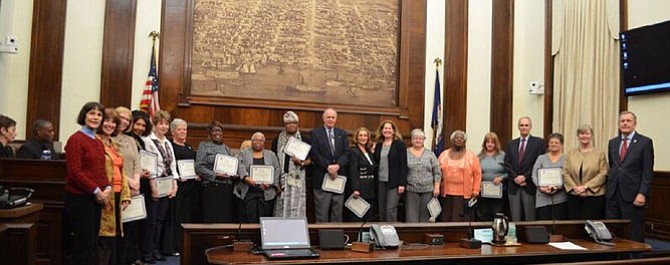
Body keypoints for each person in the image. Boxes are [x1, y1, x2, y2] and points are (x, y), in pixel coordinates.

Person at [64, 102, 110, 265]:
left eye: (99, 115)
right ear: (84, 116)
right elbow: (75, 172)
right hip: (79, 199)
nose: (95, 117)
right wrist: (96, 191)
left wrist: (107, 188)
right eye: (92, 113)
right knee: (83, 244)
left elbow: (101, 169)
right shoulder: (76, 139)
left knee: (92, 243)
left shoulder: (97, 141)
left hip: (96, 199)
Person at [606, 111, 654, 243]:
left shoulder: (645, 142)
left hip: (633, 195)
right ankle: (616, 259)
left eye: (628, 121)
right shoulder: (613, 143)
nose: (625, 123)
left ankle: (634, 258)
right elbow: (614, 167)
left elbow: (647, 171)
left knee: (634, 230)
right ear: (619, 124)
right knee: (613, 230)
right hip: (613, 193)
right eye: (622, 121)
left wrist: (642, 193)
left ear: (635, 124)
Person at [140, 110, 179, 263]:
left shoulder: (168, 142)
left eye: (166, 123)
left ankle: (156, 249)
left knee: (161, 219)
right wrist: (153, 187)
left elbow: (173, 165)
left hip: (167, 184)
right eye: (161, 123)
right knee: (151, 220)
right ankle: (147, 252)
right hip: (153, 185)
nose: (164, 126)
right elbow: (149, 165)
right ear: (154, 124)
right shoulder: (148, 141)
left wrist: (175, 184)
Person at [96, 108, 132, 265]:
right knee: (103, 239)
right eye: (107, 121)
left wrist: (126, 195)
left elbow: (121, 171)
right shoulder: (95, 141)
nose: (110, 125)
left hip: (117, 196)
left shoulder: (112, 144)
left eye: (113, 122)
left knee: (114, 238)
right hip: (103, 196)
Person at [112, 107, 143, 265]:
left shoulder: (130, 139)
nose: (124, 121)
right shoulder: (107, 139)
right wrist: (128, 181)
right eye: (121, 118)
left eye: (127, 119)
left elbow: (137, 161)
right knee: (119, 228)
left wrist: (136, 180)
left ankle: (129, 258)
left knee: (131, 227)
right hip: (117, 188)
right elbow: (112, 165)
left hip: (133, 188)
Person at [309, 108, 350, 222]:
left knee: (337, 215)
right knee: (322, 214)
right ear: (323, 119)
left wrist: (337, 166)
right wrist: (328, 166)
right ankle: (321, 240)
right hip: (322, 178)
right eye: (328, 117)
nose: (330, 119)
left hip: (338, 178)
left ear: (336, 119)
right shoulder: (315, 133)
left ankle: (334, 240)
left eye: (333, 117)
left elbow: (347, 153)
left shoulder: (342, 134)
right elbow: (314, 153)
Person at [504, 116, 546, 221]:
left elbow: (539, 163)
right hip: (514, 186)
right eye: (521, 125)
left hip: (529, 185)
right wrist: (515, 178)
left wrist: (525, 177)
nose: (524, 127)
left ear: (530, 127)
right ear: (518, 127)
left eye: (526, 125)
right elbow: (507, 163)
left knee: (530, 218)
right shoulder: (511, 144)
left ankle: (530, 238)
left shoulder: (539, 143)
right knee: (515, 218)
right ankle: (516, 238)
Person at [562, 124, 608, 220]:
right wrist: (576, 188)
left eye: (587, 133)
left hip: (594, 196)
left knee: (591, 227)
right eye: (581, 133)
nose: (584, 136)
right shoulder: (570, 153)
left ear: (591, 136)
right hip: (574, 195)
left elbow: (603, 173)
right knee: (574, 226)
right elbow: (565, 172)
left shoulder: (599, 153)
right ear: (578, 136)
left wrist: (586, 187)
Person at [195, 121, 236, 223]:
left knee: (225, 219)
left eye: (219, 130)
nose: (217, 133)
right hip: (212, 187)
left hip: (226, 188)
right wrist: (215, 175)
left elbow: (233, 166)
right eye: (214, 130)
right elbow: (199, 166)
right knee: (212, 219)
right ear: (209, 133)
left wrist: (235, 173)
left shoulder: (226, 148)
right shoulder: (204, 145)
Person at [170, 118, 201, 255]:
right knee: (176, 218)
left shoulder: (189, 148)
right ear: (173, 132)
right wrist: (177, 176)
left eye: (185, 129)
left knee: (187, 218)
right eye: (180, 129)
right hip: (177, 189)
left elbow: (195, 167)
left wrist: (197, 175)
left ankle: (184, 246)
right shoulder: (170, 147)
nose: (183, 132)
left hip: (190, 189)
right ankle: (175, 246)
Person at [272, 111, 311, 218]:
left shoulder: (305, 139)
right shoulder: (277, 140)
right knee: (281, 207)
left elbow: (312, 160)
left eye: (294, 123)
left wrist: (301, 162)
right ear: (284, 125)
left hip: (297, 179)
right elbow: (273, 161)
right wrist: (276, 182)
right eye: (288, 123)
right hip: (281, 179)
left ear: (297, 124)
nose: (291, 125)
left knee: (296, 207)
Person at [235, 132, 281, 223]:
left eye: (261, 140)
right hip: (248, 192)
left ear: (264, 142)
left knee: (264, 219)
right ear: (251, 141)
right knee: (248, 219)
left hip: (266, 193)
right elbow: (240, 165)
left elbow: (277, 169)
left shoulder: (271, 154)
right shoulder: (243, 153)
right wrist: (246, 178)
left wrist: (271, 183)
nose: (258, 142)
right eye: (255, 140)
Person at [438, 130, 481, 222]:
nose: (459, 140)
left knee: (461, 219)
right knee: (446, 218)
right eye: (456, 138)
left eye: (461, 138)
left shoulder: (471, 156)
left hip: (464, 195)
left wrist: (476, 190)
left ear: (465, 141)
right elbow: (437, 173)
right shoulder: (444, 155)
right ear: (452, 140)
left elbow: (477, 174)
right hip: (446, 193)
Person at [405, 129, 441, 223]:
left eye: (420, 138)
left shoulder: (430, 154)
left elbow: (437, 172)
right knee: (411, 217)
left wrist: (436, 187)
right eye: (415, 138)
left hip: (428, 190)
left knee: (426, 218)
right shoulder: (406, 153)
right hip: (411, 190)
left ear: (423, 140)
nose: (418, 140)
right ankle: (412, 237)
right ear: (412, 140)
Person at [531, 133, 567, 220]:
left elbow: (568, 175)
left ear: (561, 145)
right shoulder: (541, 158)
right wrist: (540, 187)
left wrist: (558, 187)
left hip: (560, 198)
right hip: (542, 197)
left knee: (559, 225)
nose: (553, 144)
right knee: (544, 224)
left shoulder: (566, 159)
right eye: (551, 142)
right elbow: (534, 175)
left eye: (556, 142)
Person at [347, 127, 377, 222]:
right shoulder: (354, 151)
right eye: (360, 135)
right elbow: (353, 170)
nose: (363, 138)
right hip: (359, 188)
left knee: (368, 216)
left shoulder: (369, 152)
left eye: (365, 135)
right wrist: (355, 189)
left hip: (370, 188)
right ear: (357, 137)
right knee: (358, 216)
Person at [476, 132, 507, 221]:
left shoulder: (502, 156)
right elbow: (475, 173)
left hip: (498, 192)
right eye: (487, 142)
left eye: (492, 142)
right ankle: (484, 234)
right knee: (483, 215)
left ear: (496, 144)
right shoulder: (479, 157)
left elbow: (509, 172)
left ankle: (497, 234)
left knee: (497, 215)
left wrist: (501, 178)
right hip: (483, 192)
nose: (490, 144)